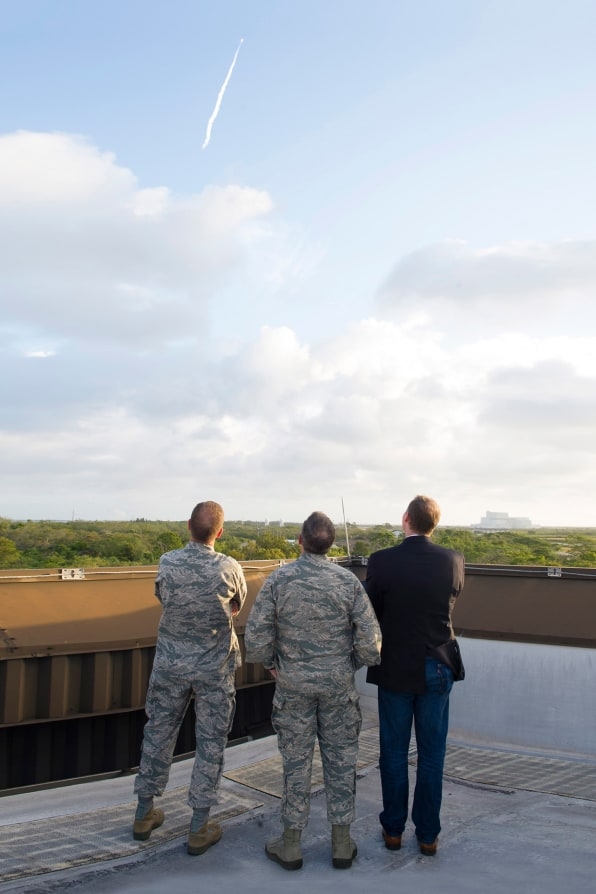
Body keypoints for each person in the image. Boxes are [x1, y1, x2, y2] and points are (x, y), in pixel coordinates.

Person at [245, 511, 382, 871]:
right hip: (337, 686)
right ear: (331, 543)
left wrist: (275, 665)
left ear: (300, 541)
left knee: (296, 762)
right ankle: (341, 842)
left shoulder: (279, 580)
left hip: (293, 686)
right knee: (340, 761)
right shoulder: (347, 582)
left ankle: (291, 844)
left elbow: (256, 639)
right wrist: (345, 665)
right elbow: (371, 645)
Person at [132, 500, 247, 856]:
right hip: (213, 668)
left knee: (158, 734)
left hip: (170, 664)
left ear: (188, 526)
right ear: (220, 532)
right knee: (210, 742)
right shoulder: (229, 568)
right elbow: (236, 607)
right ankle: (199, 827)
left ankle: (143, 814)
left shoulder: (168, 562)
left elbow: (163, 598)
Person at [365, 495, 465, 857]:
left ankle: (393, 831)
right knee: (432, 754)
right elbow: (451, 599)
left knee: (392, 753)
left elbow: (370, 609)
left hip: (394, 667)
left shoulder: (382, 561)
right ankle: (427, 835)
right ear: (433, 524)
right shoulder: (452, 560)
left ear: (405, 518)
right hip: (437, 665)